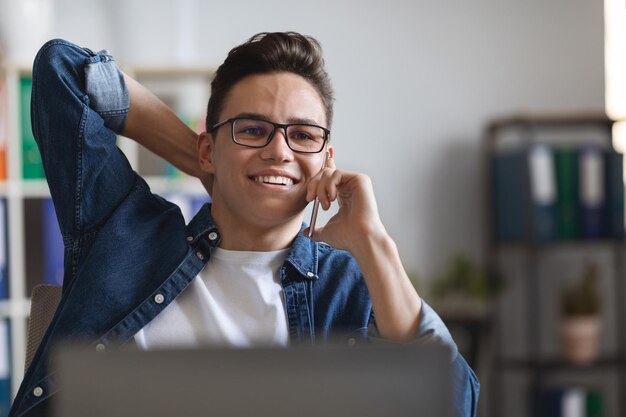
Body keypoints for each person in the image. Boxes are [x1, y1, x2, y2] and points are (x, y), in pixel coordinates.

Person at [9, 32, 479, 417]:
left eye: (303, 135)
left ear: (326, 160)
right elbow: (63, 70)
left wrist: (374, 243)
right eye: (252, 130)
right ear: (209, 148)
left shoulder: (349, 286)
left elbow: (455, 403)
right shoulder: (126, 230)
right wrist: (205, 166)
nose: (279, 151)